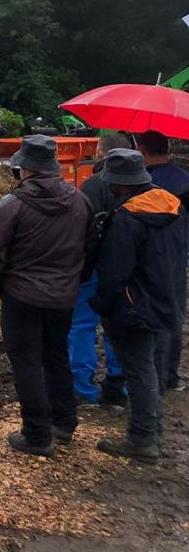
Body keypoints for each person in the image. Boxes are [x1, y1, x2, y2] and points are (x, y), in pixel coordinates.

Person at [0, 135, 93, 456]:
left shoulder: (12, 205)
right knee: (57, 357)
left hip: (22, 297)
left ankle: (37, 434)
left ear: (24, 169)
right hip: (62, 298)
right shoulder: (79, 201)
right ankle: (64, 423)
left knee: (27, 362)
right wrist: (71, 280)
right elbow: (90, 248)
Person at [91, 148, 186, 463]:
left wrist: (102, 303)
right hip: (166, 299)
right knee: (153, 368)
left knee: (139, 370)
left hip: (133, 307)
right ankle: (153, 429)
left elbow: (115, 270)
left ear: (120, 183)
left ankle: (142, 439)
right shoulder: (172, 208)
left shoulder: (127, 219)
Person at [71, 134, 132, 405]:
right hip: (127, 270)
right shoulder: (143, 189)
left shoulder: (92, 187)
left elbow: (81, 231)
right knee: (118, 326)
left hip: (93, 269)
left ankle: (82, 387)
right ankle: (118, 384)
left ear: (101, 154)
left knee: (82, 325)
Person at [135, 130, 189, 393]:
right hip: (178, 256)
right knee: (174, 314)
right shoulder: (183, 178)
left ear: (143, 151)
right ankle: (170, 375)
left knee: (148, 316)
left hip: (148, 259)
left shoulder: (144, 183)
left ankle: (151, 374)